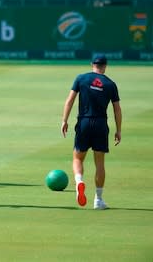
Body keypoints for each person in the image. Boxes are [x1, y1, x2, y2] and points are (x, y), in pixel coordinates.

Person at [61, 54, 122, 210]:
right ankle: (98, 200)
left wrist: (64, 121)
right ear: (105, 66)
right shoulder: (110, 84)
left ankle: (79, 181)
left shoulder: (81, 78)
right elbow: (117, 109)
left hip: (84, 123)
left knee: (77, 158)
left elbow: (70, 100)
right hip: (101, 124)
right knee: (99, 163)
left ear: (92, 64)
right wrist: (118, 130)